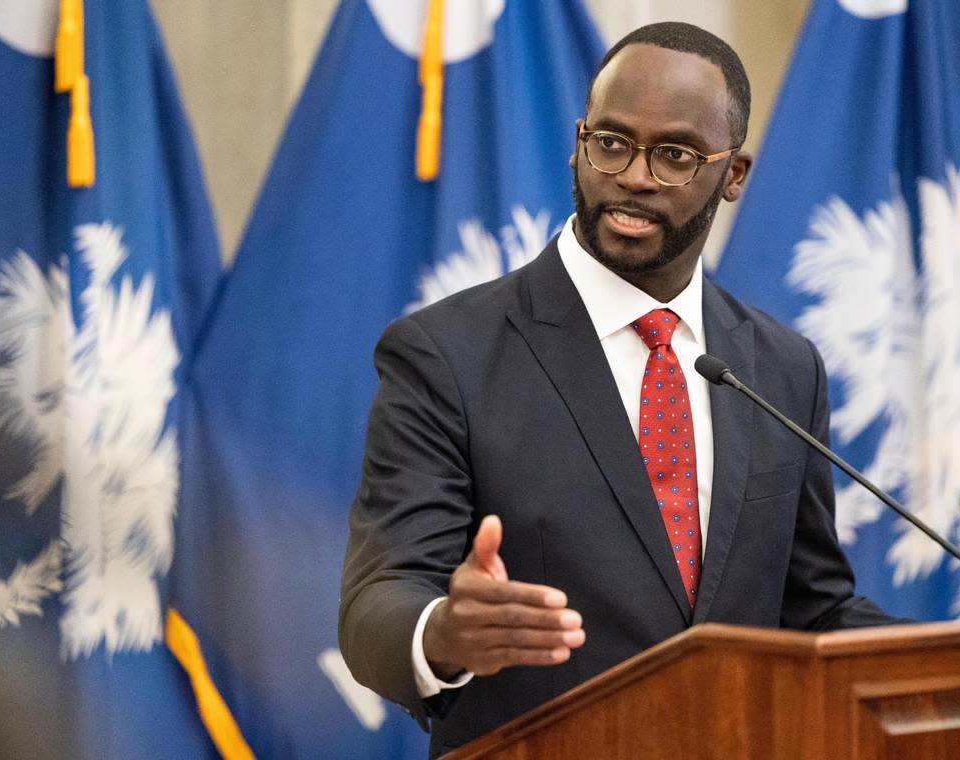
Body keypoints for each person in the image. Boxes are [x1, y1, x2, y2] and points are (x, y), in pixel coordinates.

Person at [340, 21, 898, 756]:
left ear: (734, 175)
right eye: (610, 142)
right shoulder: (447, 356)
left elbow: (811, 608)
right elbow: (377, 604)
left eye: (673, 155)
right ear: (579, 143)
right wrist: (444, 632)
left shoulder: (783, 367)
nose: (633, 175)